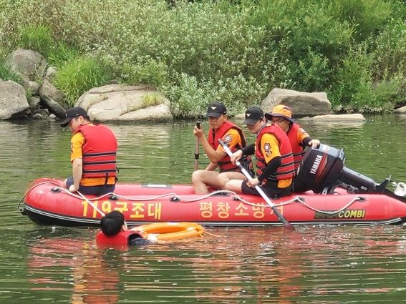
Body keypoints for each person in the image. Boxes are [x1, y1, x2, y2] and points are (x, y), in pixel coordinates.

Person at [225, 106, 295, 198]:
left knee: (229, 184)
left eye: (252, 123)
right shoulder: (269, 130)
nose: (250, 126)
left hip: (275, 188)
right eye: (248, 123)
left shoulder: (267, 137)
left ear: (263, 120)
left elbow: (276, 161)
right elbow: (257, 147)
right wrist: (241, 152)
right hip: (284, 185)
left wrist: (258, 179)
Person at [192, 102, 251, 194]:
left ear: (225, 117)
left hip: (242, 175)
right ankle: (204, 205)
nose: (213, 121)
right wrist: (204, 173)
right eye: (211, 118)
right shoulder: (214, 131)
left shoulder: (232, 133)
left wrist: (201, 137)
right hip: (224, 174)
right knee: (196, 175)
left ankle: (229, 202)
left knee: (222, 177)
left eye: (216, 117)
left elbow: (215, 158)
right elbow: (216, 161)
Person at [60, 107, 118, 196]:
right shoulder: (108, 131)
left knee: (66, 181)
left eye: (70, 123)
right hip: (109, 187)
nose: (70, 128)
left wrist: (75, 186)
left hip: (88, 188)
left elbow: (78, 164)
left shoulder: (78, 137)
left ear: (80, 119)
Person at [265, 104, 320, 172]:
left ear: (288, 121)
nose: (275, 124)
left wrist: (312, 142)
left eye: (278, 121)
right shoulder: (268, 132)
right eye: (273, 121)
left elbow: (306, 139)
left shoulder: (297, 130)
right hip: (275, 171)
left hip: (294, 171)